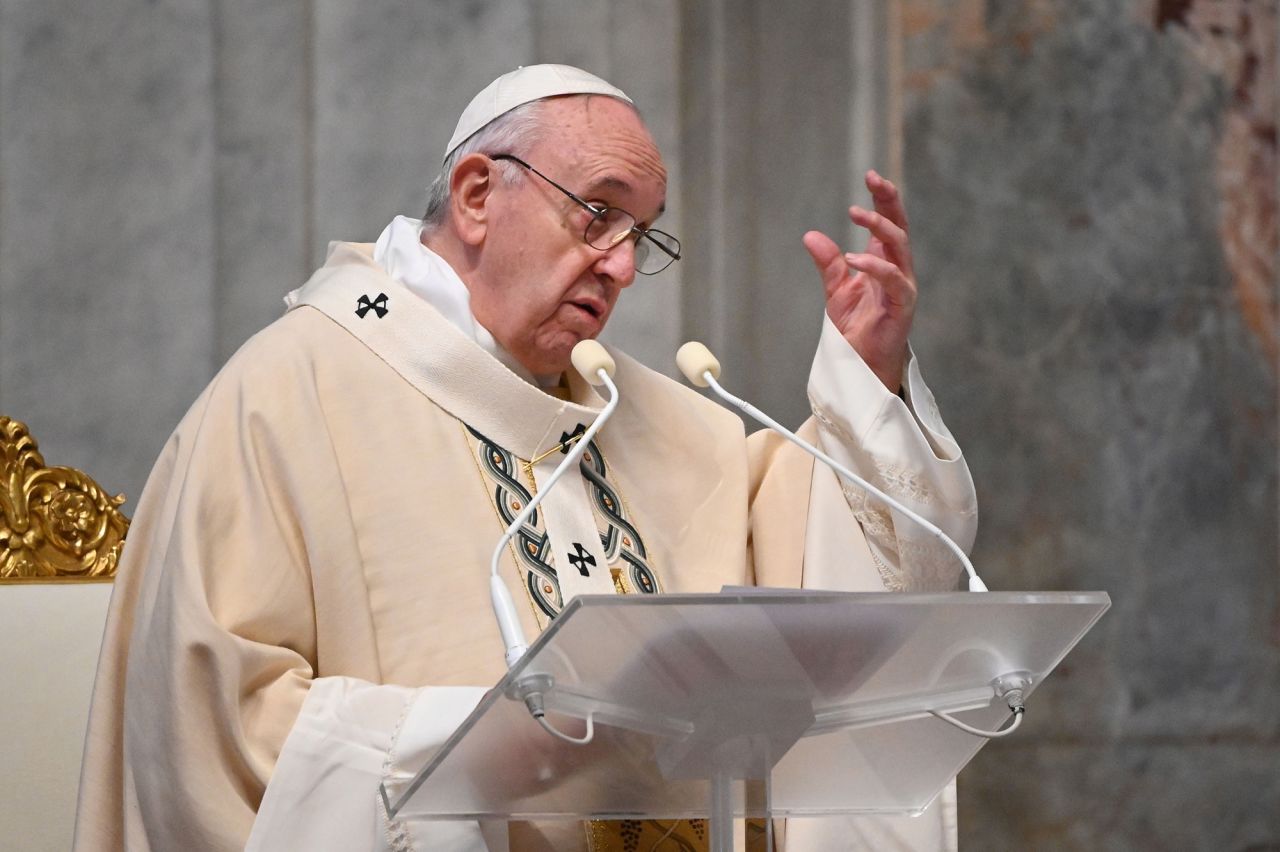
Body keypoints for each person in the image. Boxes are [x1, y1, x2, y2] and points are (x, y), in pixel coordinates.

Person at [73, 65, 977, 851]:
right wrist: (474, 750)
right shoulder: (285, 398)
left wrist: (870, 382)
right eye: (598, 215)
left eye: (642, 235)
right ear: (475, 195)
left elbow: (826, 589)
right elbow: (209, 730)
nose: (622, 266)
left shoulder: (669, 422)